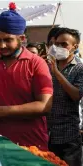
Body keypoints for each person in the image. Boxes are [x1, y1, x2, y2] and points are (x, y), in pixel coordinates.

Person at [0, 5, 53, 151]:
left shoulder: (36, 63)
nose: (2, 45)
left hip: (32, 144)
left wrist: (2, 111)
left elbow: (45, 105)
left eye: (8, 40)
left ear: (21, 38)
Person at [47, 28, 83, 166]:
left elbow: (76, 95)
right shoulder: (47, 66)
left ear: (74, 47)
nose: (59, 48)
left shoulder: (79, 69)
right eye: (57, 44)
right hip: (48, 134)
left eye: (64, 44)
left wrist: (56, 73)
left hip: (69, 137)